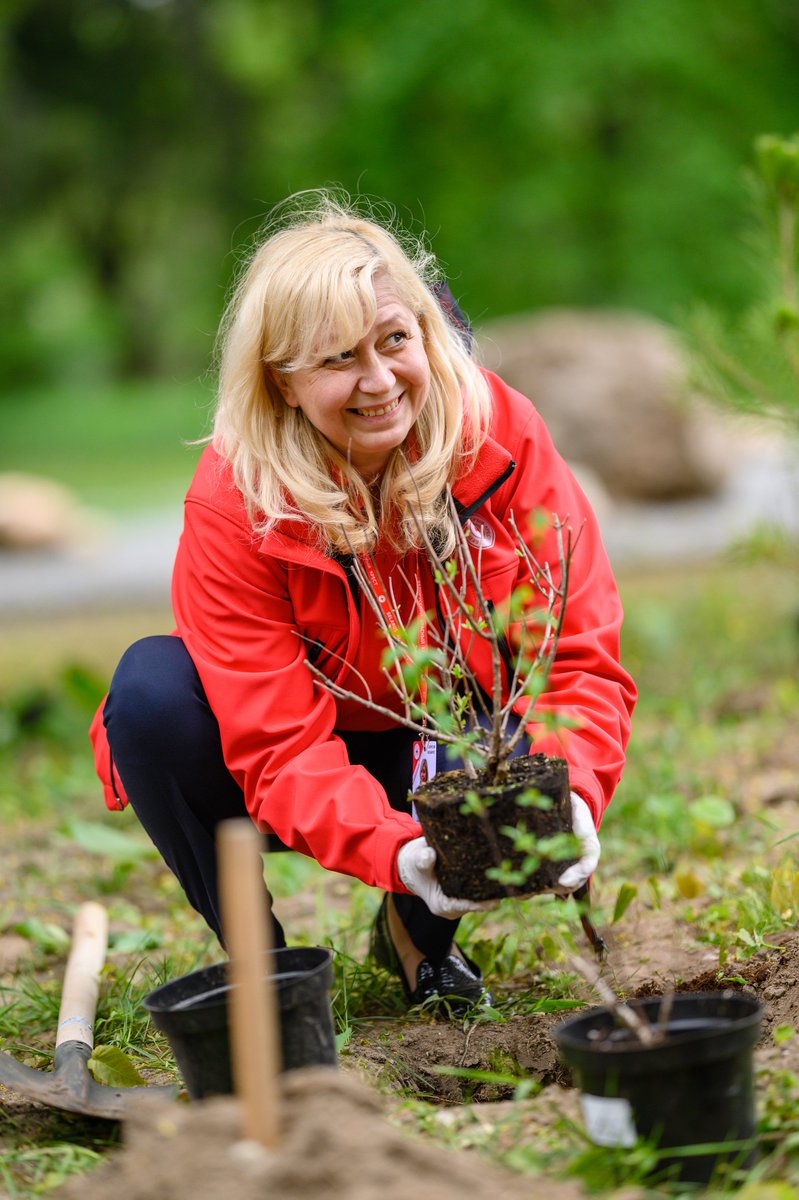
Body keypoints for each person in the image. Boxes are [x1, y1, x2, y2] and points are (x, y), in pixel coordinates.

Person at [89, 192, 637, 1013]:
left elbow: (577, 655)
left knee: (494, 737)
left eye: (393, 341)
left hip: (437, 744)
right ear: (283, 382)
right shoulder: (237, 498)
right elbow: (273, 745)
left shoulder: (501, 440)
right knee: (149, 694)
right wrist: (393, 847)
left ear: (425, 332)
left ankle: (420, 945)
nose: (378, 381)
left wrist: (579, 792)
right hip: (286, 759)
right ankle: (266, 973)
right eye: (338, 358)